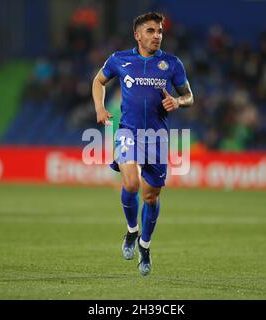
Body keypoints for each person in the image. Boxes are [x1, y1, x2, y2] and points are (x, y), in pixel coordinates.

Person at [92, 12, 194, 276]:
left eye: (159, 31)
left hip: (158, 139)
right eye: (150, 31)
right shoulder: (119, 59)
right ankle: (131, 230)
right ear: (137, 35)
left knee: (151, 196)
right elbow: (98, 81)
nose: (157, 35)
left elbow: (189, 96)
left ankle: (144, 246)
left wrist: (178, 101)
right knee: (131, 183)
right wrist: (100, 108)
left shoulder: (172, 64)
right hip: (128, 132)